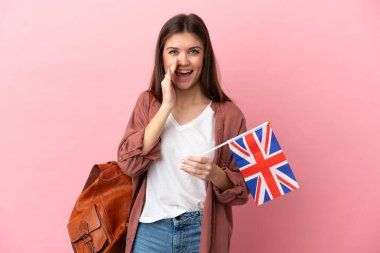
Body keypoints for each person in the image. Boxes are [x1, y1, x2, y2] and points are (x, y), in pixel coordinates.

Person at [116, 13, 250, 253]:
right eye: (174, 52)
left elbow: (242, 191)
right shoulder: (148, 104)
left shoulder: (230, 115)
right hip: (150, 232)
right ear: (162, 57)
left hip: (201, 232)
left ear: (205, 56)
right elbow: (129, 163)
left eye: (193, 51)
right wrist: (166, 106)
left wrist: (216, 174)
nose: (183, 61)